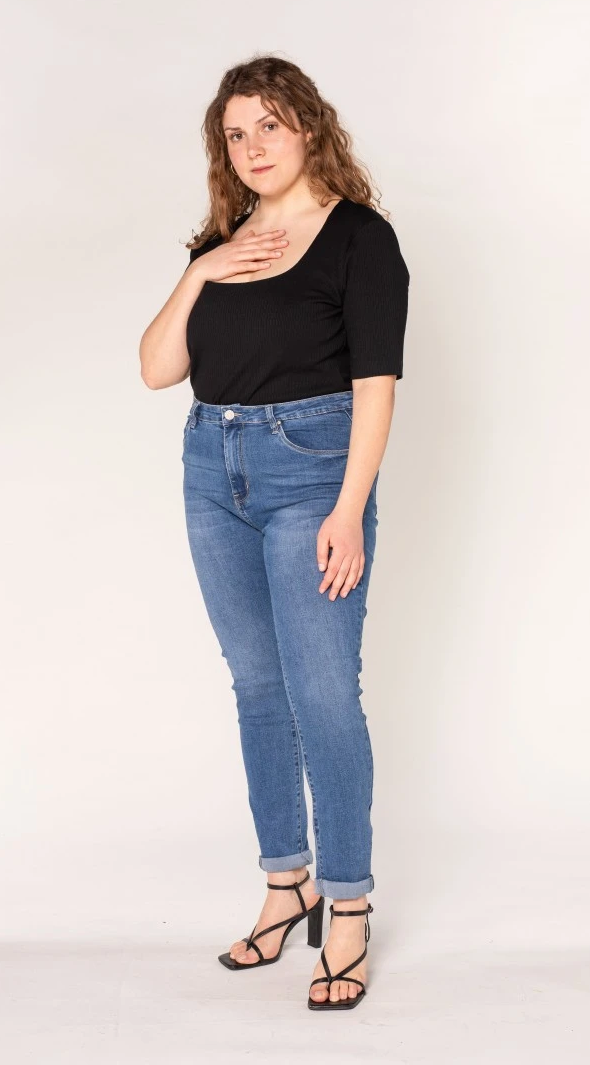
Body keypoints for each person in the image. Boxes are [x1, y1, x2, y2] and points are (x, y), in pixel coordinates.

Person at [138, 56, 409, 1011]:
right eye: (235, 133)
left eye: (270, 126)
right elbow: (156, 369)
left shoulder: (360, 238)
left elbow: (376, 384)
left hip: (312, 475)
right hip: (212, 470)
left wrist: (348, 508)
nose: (252, 146)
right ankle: (285, 883)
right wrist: (200, 272)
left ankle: (349, 903)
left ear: (308, 128)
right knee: (258, 687)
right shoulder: (223, 243)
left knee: (323, 693)